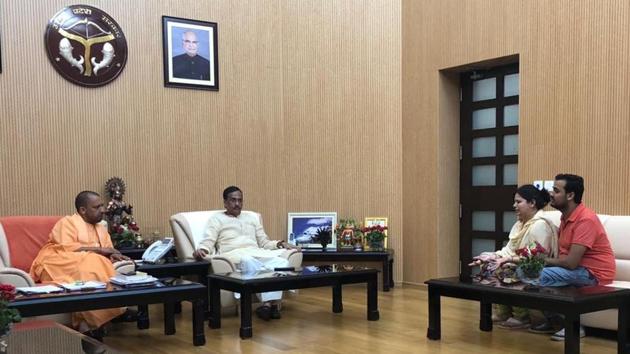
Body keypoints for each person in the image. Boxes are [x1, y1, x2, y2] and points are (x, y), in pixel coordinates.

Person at [29, 191, 136, 338]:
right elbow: (65, 247)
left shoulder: (100, 228)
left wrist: (113, 254)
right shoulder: (67, 222)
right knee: (91, 262)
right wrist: (100, 250)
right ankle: (104, 317)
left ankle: (92, 323)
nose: (102, 210)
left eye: (102, 206)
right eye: (97, 207)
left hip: (87, 263)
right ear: (82, 210)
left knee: (95, 263)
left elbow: (108, 250)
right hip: (58, 261)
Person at [529, 174, 615, 341]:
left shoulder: (585, 219)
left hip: (594, 273)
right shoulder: (565, 217)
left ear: (570, 195)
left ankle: (572, 326)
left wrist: (540, 260)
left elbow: (570, 263)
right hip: (578, 270)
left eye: (555, 190)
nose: (550, 193)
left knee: (538, 274)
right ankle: (554, 320)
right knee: (525, 272)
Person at [193, 186, 299, 321]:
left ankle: (267, 305)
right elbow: (208, 240)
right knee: (248, 261)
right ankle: (270, 305)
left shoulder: (251, 218)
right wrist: (202, 249)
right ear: (225, 202)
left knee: (281, 262)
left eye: (240, 200)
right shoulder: (217, 219)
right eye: (233, 200)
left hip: (257, 253)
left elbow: (264, 242)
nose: (237, 204)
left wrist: (280, 244)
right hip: (235, 256)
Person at [470, 184, 558, 329]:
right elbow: (509, 249)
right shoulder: (519, 224)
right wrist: (492, 256)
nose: (514, 205)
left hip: (537, 267)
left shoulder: (540, 225)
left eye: (518, 202)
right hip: (519, 262)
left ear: (532, 203)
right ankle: (503, 312)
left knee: (507, 269)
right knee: (491, 264)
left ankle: (521, 316)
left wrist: (508, 261)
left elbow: (536, 256)